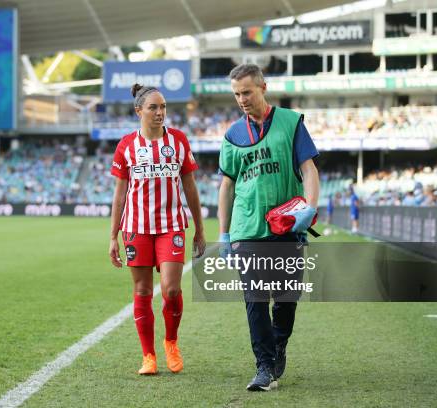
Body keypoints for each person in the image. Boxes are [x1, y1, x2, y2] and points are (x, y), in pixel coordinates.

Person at [218, 64, 320, 391]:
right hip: (247, 228)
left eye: (247, 92)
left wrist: (310, 208)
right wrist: (225, 234)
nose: (242, 99)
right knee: (255, 298)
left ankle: (279, 345)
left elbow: (310, 169)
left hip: (288, 227)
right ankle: (263, 365)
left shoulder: (291, 123)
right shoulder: (233, 135)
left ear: (263, 87)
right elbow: (226, 186)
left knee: (287, 298)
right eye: (236, 94)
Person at [109, 84, 206, 375]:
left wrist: (199, 229)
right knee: (141, 289)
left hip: (171, 225)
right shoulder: (127, 146)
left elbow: (190, 186)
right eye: (153, 107)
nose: (160, 112)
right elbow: (120, 194)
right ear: (139, 110)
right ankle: (148, 356)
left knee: (172, 288)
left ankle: (171, 342)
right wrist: (112, 236)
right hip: (136, 227)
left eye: (163, 107)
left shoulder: (178, 141)